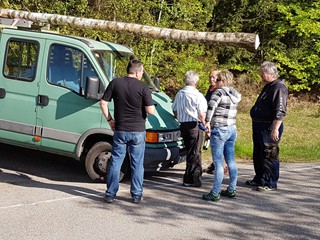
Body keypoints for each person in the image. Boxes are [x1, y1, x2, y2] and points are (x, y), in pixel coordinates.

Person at [100, 59, 156, 203]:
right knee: (137, 163)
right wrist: (152, 106)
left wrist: (109, 120)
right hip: (138, 131)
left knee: (116, 162)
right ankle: (136, 195)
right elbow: (150, 111)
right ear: (137, 72)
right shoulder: (143, 88)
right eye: (142, 72)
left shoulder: (115, 83)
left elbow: (103, 102)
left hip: (120, 129)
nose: (142, 74)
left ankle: (110, 194)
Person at [246, 61, 288, 191]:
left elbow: (280, 110)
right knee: (258, 153)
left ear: (270, 73)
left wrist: (275, 128)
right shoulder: (269, 86)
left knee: (269, 154)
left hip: (269, 127)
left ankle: (270, 182)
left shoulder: (279, 87)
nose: (261, 75)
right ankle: (260, 178)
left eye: (262, 73)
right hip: (259, 125)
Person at [202, 70, 242, 202]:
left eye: (218, 79)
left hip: (219, 129)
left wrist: (207, 123)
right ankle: (232, 188)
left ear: (223, 81)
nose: (216, 81)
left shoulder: (218, 92)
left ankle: (215, 192)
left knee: (218, 162)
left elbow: (210, 108)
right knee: (231, 160)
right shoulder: (234, 94)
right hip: (232, 129)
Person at [172, 71, 207, 187]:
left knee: (189, 150)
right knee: (195, 151)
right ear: (196, 83)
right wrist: (205, 124)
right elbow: (202, 114)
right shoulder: (198, 95)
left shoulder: (179, 94)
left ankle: (189, 176)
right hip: (194, 124)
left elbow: (175, 109)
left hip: (183, 125)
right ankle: (193, 176)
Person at [203, 70, 219, 175]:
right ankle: (215, 165)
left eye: (213, 77)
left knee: (217, 144)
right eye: (210, 77)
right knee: (212, 144)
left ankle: (219, 166)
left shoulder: (219, 90)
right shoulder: (210, 89)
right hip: (209, 120)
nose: (211, 79)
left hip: (217, 120)